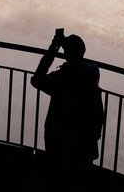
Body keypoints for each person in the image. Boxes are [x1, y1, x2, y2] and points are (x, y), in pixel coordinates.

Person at [31, 28, 103, 181]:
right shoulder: (91, 72)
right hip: (84, 140)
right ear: (83, 51)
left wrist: (54, 47)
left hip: (58, 137)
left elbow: (36, 80)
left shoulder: (60, 78)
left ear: (65, 53)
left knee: (58, 175)